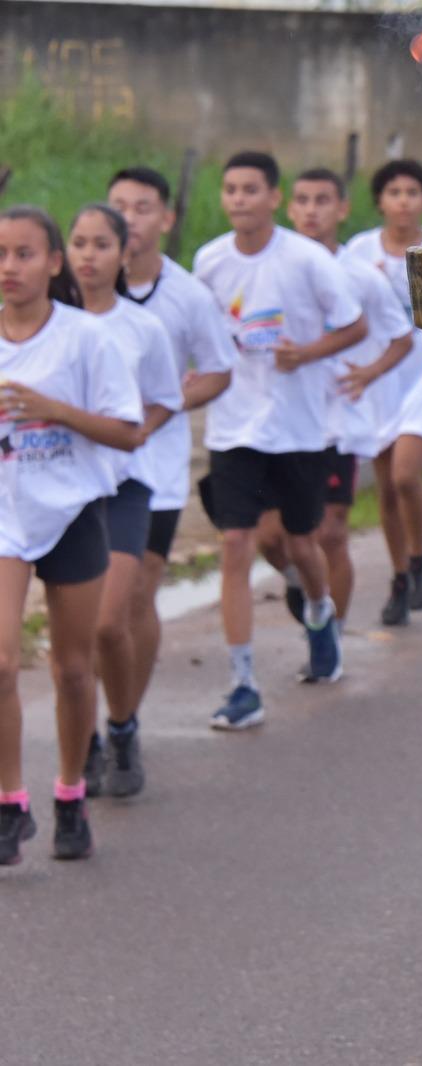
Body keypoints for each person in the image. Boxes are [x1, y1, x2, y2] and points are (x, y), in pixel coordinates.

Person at [193, 151, 367, 729]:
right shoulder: (210, 261)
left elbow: (356, 324)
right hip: (233, 426)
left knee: (299, 545)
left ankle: (319, 612)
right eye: (231, 190)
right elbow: (197, 332)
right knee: (237, 544)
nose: (240, 199)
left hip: (299, 428)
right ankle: (243, 683)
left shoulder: (308, 260)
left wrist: (308, 353)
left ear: (274, 196)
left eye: (251, 189)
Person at [0, 205, 142, 863]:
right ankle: (10, 803)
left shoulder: (86, 338)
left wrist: (51, 408)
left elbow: (128, 431)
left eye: (24, 254)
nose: (10, 267)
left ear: (53, 262)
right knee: (1, 664)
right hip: (6, 518)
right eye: (1, 254)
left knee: (73, 670)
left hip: (74, 513)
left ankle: (69, 792)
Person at [105, 166, 235, 782]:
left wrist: (166, 403)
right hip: (84, 472)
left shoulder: (184, 295)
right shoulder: (75, 294)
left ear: (166, 218)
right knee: (93, 612)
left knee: (135, 598)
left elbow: (217, 369)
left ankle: (123, 722)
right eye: (119, 206)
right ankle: (98, 721)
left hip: (153, 468)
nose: (130, 217)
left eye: (142, 207)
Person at [258, 169, 414, 628]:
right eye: (302, 200)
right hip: (281, 420)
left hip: (339, 422)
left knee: (331, 532)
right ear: (288, 208)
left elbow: (401, 339)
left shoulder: (361, 276)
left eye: (322, 200)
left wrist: (369, 373)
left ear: (342, 209)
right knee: (270, 536)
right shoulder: (274, 269)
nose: (311, 210)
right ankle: (302, 581)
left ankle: (330, 637)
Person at [66, 205, 184, 800]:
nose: (88, 255)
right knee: (74, 634)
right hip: (60, 491)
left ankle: (122, 727)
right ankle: (81, 741)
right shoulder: (44, 324)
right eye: (79, 243)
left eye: (101, 244)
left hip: (127, 486)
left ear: (123, 253)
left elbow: (166, 396)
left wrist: (136, 429)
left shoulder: (143, 328)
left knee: (111, 624)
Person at [341, 159, 422, 627]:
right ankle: (401, 575)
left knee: (405, 475)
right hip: (380, 372)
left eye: (412, 192)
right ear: (379, 201)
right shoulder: (357, 252)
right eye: (393, 192)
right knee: (384, 483)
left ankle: (420, 557)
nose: (403, 200)